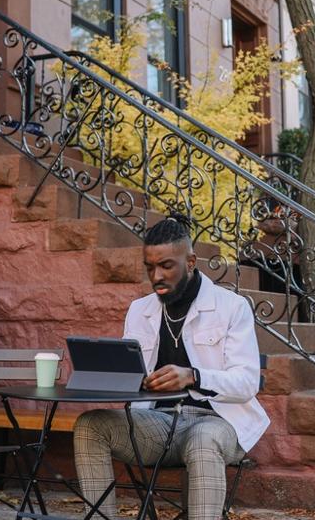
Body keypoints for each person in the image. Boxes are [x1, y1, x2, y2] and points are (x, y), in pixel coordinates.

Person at [73, 213, 269, 520]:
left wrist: (192, 377)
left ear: (190, 263)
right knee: (90, 426)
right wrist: (129, 379)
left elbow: (246, 383)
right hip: (160, 422)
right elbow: (132, 373)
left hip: (218, 420)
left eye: (166, 266)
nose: (156, 276)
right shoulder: (140, 310)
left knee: (203, 440)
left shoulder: (231, 307)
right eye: (150, 267)